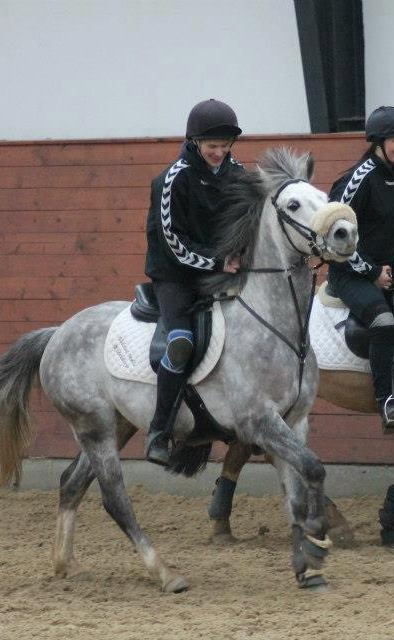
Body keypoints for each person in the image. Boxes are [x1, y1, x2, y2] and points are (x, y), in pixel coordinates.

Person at [142, 98, 246, 465]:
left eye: (225, 146)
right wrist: (218, 261)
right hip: (176, 275)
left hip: (221, 268)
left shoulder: (237, 171)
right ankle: (159, 431)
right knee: (182, 342)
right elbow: (174, 245)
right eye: (212, 146)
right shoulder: (172, 179)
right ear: (195, 142)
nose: (220, 152)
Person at [327, 106, 394, 433]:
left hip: (387, 271)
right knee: (384, 322)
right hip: (349, 273)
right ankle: (386, 399)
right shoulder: (357, 178)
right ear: (378, 142)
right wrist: (371, 271)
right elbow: (336, 236)